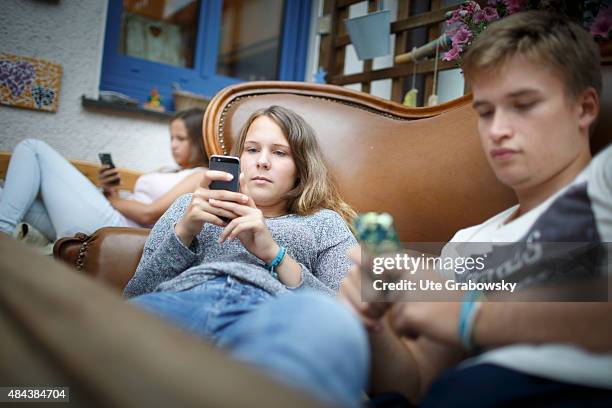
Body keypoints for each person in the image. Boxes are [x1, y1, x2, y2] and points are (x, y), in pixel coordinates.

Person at [234, 11, 612, 407]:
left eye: (523, 104)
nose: (497, 129)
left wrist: (469, 317)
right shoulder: (468, 243)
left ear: (584, 108)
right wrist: (373, 324)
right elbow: (413, 384)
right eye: (485, 112)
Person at [124, 106, 367, 408]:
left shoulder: (324, 223)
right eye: (252, 150)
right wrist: (185, 231)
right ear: (239, 160)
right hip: (183, 299)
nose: (262, 162)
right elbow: (135, 293)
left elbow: (344, 316)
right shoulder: (190, 206)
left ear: (301, 166)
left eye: (280, 153)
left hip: (274, 315)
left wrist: (275, 254)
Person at [0, 108, 208, 245]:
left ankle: (3, 231)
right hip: (109, 217)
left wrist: (112, 199)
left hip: (116, 229)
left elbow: (148, 214)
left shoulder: (200, 175)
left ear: (200, 141)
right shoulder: (168, 170)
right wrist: (110, 189)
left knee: (32, 148)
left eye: (181, 138)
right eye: (171, 137)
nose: (173, 144)